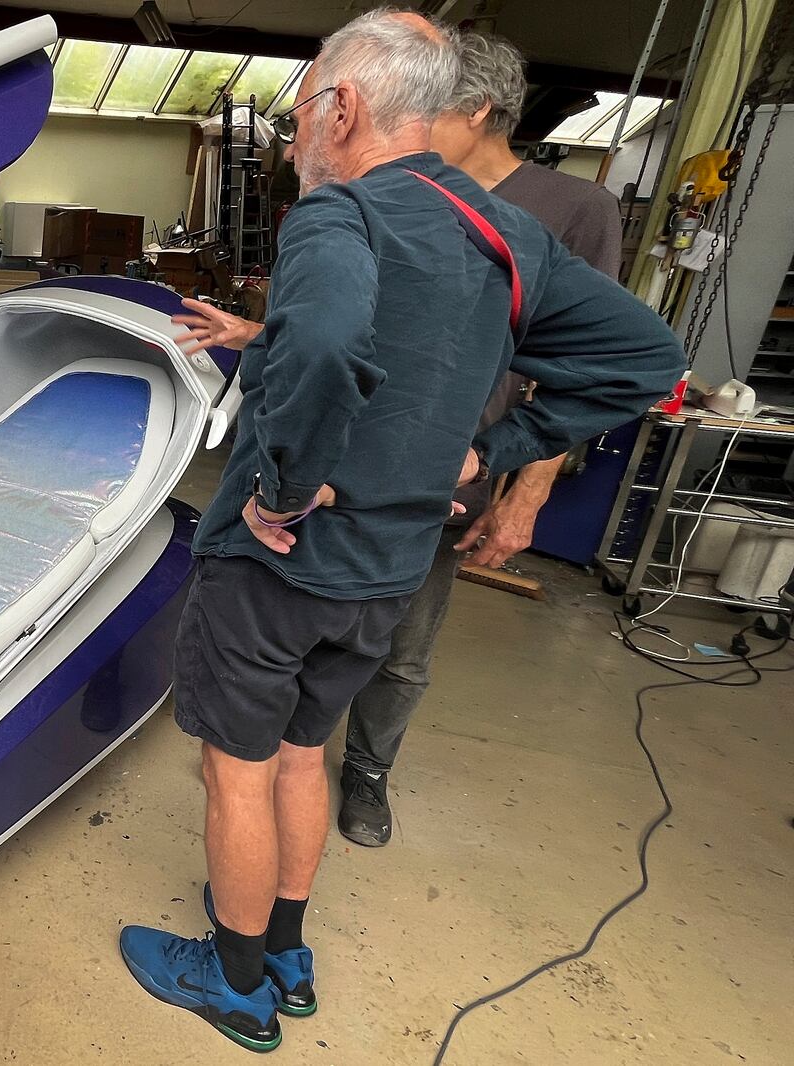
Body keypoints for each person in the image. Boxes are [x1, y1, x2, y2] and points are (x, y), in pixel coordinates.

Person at [118, 10, 683, 1053]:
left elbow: (329, 341)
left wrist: (284, 488)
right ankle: (285, 952)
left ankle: (232, 983)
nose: (293, 145)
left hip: (279, 568)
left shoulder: (340, 217)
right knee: (302, 753)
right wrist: (500, 444)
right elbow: (649, 359)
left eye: (297, 121)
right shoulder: (502, 230)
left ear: (343, 108)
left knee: (235, 767)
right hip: (388, 568)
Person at [337, 30, 629, 847]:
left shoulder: (575, 211)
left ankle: (367, 767)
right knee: (303, 618)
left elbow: (580, 372)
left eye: (427, 102)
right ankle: (281, 748)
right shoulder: (395, 190)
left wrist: (525, 491)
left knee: (403, 640)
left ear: (478, 109)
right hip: (349, 451)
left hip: (453, 469)